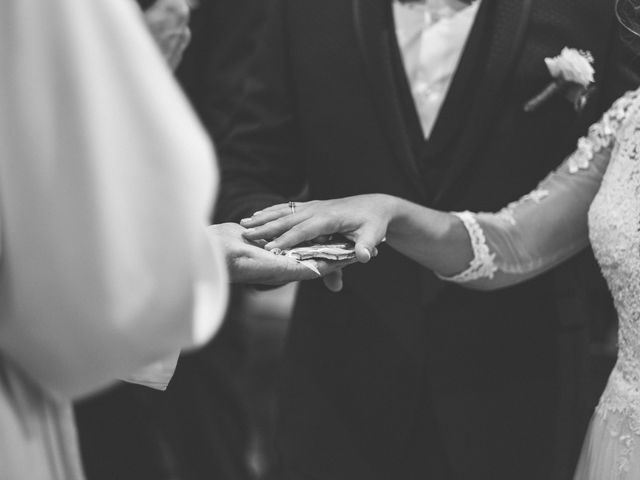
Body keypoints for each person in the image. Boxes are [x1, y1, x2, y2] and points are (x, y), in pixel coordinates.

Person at [215, 0, 640, 478]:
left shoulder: (599, 10)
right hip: (341, 382)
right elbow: (249, 164)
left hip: (522, 389)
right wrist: (277, 244)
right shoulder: (306, 11)